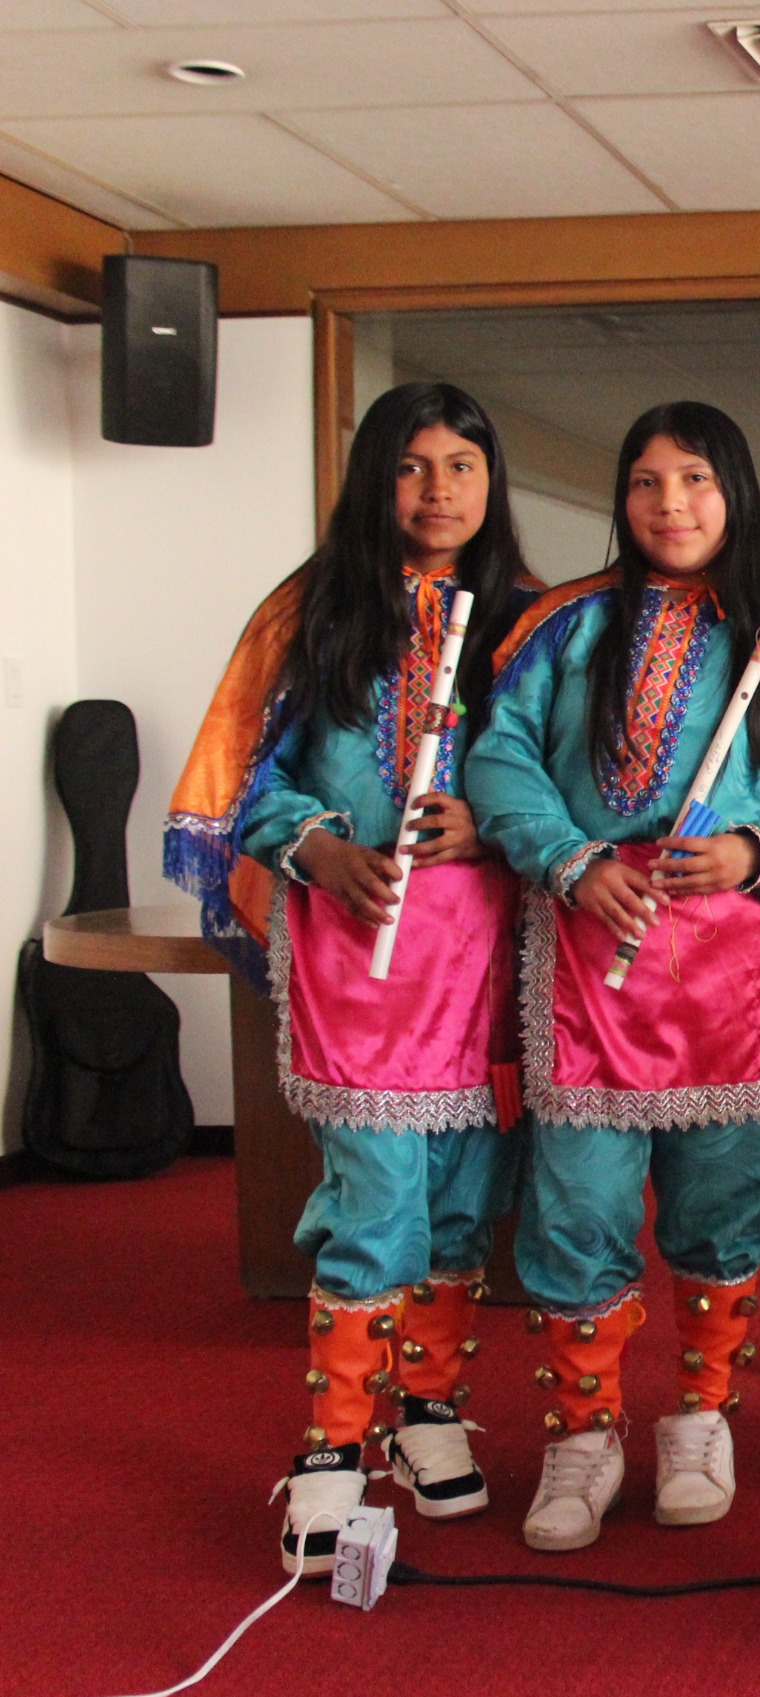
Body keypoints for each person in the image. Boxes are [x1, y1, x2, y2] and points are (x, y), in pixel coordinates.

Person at [164, 381, 540, 1572]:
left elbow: (562, 782)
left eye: (462, 466)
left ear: (493, 483)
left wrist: (490, 821)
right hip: (354, 948)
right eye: (412, 466)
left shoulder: (531, 622)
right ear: (373, 479)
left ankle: (427, 1408)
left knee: (463, 1199)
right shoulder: (311, 610)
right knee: (375, 1200)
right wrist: (319, 844)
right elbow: (246, 783)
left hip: (485, 956)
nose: (439, 490)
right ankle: (332, 1443)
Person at [467, 401, 760, 1551]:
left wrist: (755, 850)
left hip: (727, 949)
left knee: (723, 1202)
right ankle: (583, 1432)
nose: (670, 504)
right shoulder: (562, 626)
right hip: (592, 939)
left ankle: (700, 1413)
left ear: (733, 490)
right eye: (645, 481)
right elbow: (499, 758)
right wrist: (571, 859)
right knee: (577, 1199)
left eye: (693, 479)